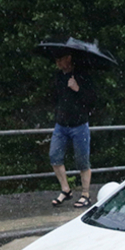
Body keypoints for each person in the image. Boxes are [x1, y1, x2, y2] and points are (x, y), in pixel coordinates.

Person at [50, 53, 97, 208]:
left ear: (68, 59)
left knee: (82, 160)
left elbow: (92, 100)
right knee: (54, 156)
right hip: (61, 124)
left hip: (79, 124)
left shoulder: (82, 75)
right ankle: (65, 189)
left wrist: (77, 89)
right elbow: (55, 97)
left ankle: (85, 194)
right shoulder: (58, 77)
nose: (58, 63)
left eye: (60, 59)